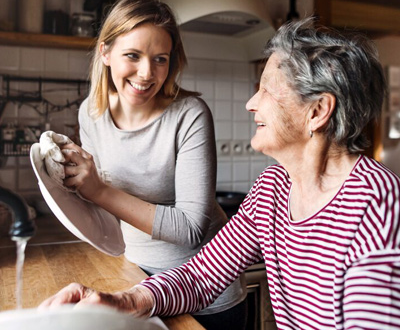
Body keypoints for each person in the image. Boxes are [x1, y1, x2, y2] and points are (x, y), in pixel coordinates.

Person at [40, 18, 400, 329]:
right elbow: (201, 276)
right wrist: (124, 301)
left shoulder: (379, 204)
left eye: (266, 91)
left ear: (317, 111)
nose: (250, 103)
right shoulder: (273, 189)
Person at [51, 0, 247, 330]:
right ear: (106, 52)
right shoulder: (91, 113)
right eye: (133, 55)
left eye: (161, 59)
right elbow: (105, 209)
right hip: (136, 277)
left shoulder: (190, 116)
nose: (147, 73)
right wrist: (69, 181)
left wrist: (96, 190)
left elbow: (190, 229)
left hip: (205, 293)